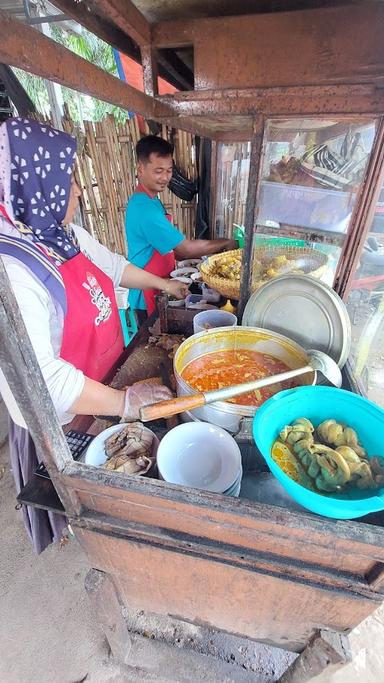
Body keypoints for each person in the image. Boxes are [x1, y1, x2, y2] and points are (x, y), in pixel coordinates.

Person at [0, 117, 188, 554]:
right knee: (81, 496)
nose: (80, 192)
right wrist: (124, 403)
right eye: (67, 182)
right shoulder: (12, 270)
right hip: (64, 413)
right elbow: (41, 380)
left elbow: (115, 266)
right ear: (33, 188)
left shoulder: (63, 235)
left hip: (103, 380)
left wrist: (164, 285)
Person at [125, 135, 237, 317]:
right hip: (147, 293)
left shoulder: (150, 200)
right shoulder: (144, 209)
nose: (165, 177)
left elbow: (173, 249)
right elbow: (184, 249)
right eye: (158, 171)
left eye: (169, 170)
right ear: (140, 168)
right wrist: (225, 243)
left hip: (161, 283)